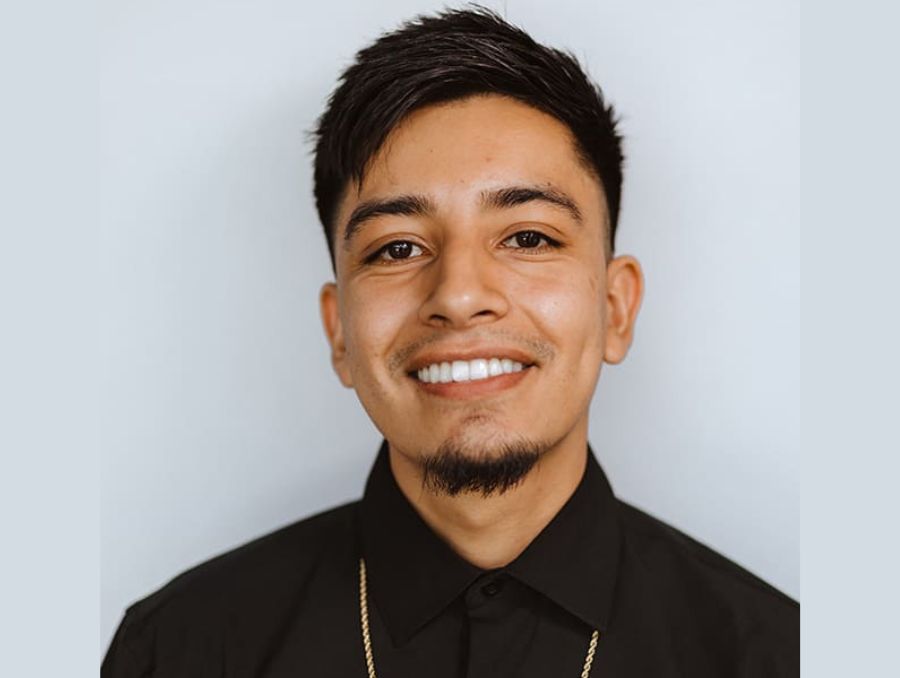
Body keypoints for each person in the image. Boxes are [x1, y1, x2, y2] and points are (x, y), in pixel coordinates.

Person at [102, 7, 799, 677]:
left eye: (529, 237)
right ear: (340, 331)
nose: (459, 295)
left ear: (616, 308)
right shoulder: (180, 650)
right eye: (398, 248)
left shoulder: (778, 655)